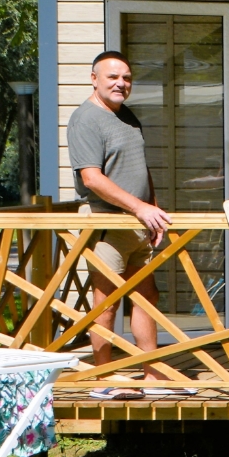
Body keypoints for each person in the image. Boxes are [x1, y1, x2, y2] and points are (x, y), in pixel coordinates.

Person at [68, 51, 176, 399]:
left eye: (126, 77)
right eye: (113, 77)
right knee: (107, 301)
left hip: (138, 221)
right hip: (106, 222)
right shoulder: (86, 119)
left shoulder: (126, 116)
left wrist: (153, 210)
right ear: (94, 78)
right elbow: (92, 179)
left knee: (147, 296)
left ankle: (152, 374)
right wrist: (139, 208)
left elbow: (141, 169)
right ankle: (103, 380)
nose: (121, 83)